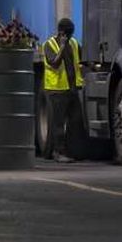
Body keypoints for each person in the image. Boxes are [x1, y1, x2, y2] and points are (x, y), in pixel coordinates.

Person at [39, 16, 84, 162]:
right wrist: (63, 46)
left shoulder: (75, 44)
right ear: (61, 33)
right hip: (56, 89)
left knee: (76, 120)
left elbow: (80, 62)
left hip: (71, 88)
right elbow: (54, 64)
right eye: (68, 34)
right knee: (58, 123)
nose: (71, 36)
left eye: (72, 33)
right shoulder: (49, 45)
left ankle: (71, 150)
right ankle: (58, 152)